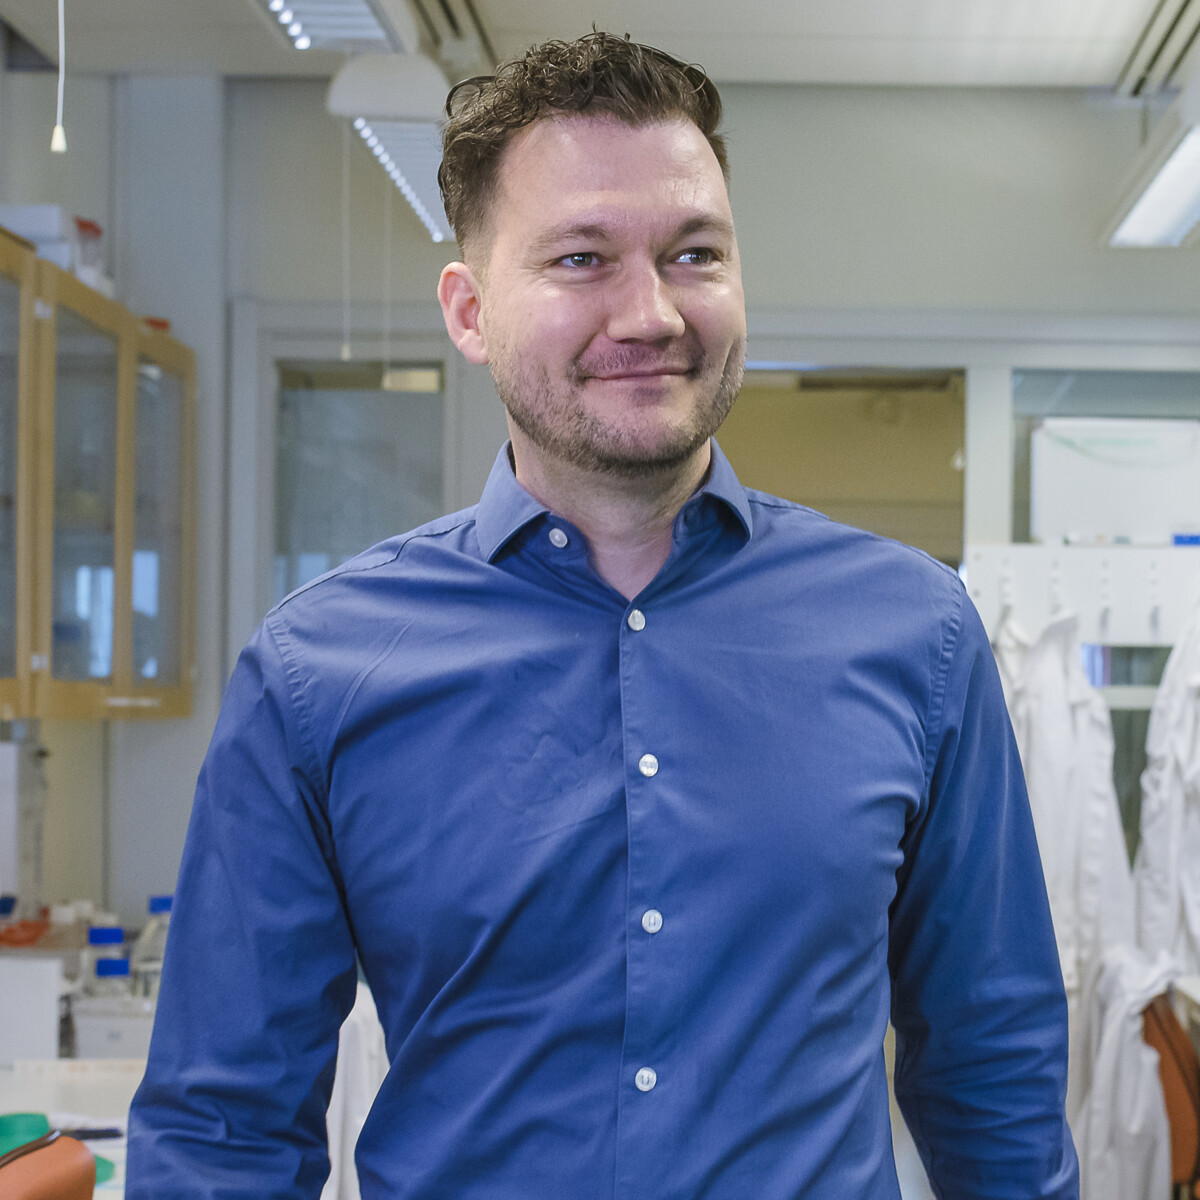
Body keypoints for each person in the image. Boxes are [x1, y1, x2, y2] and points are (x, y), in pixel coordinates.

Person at [127, 31, 1079, 1199]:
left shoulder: (917, 636)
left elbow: (994, 1068)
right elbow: (222, 1130)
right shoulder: (316, 675)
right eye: (582, 258)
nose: (651, 312)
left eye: (694, 254)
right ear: (470, 311)